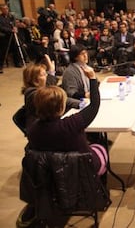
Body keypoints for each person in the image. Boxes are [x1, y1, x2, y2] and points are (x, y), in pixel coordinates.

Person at [17, 63, 107, 228]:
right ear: (60, 107)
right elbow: (94, 106)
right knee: (100, 147)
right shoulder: (71, 124)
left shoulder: (32, 130)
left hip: (50, 174)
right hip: (81, 171)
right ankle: (98, 190)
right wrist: (93, 79)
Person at [22, 56, 80, 130]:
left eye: (46, 73)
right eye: (43, 75)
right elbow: (56, 97)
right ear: (34, 79)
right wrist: (80, 103)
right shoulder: (32, 93)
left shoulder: (37, 90)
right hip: (40, 129)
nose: (46, 76)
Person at [0, 4, 23, 72]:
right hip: (4, 37)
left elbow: (14, 24)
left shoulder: (10, 17)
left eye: (7, 9)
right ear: (1, 10)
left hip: (12, 36)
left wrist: (15, 28)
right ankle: (0, 66)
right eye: (4, 9)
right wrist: (10, 30)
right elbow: (1, 27)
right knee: (3, 51)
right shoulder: (0, 18)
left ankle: (18, 62)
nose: (6, 10)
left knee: (16, 48)